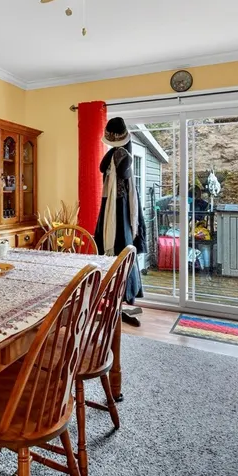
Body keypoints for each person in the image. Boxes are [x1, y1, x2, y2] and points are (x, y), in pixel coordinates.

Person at [94, 117, 146, 326]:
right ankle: (115, 303)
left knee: (121, 254)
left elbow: (107, 169)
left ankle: (119, 303)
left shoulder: (121, 156)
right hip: (114, 208)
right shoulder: (119, 154)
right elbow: (103, 167)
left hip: (117, 209)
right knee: (118, 254)